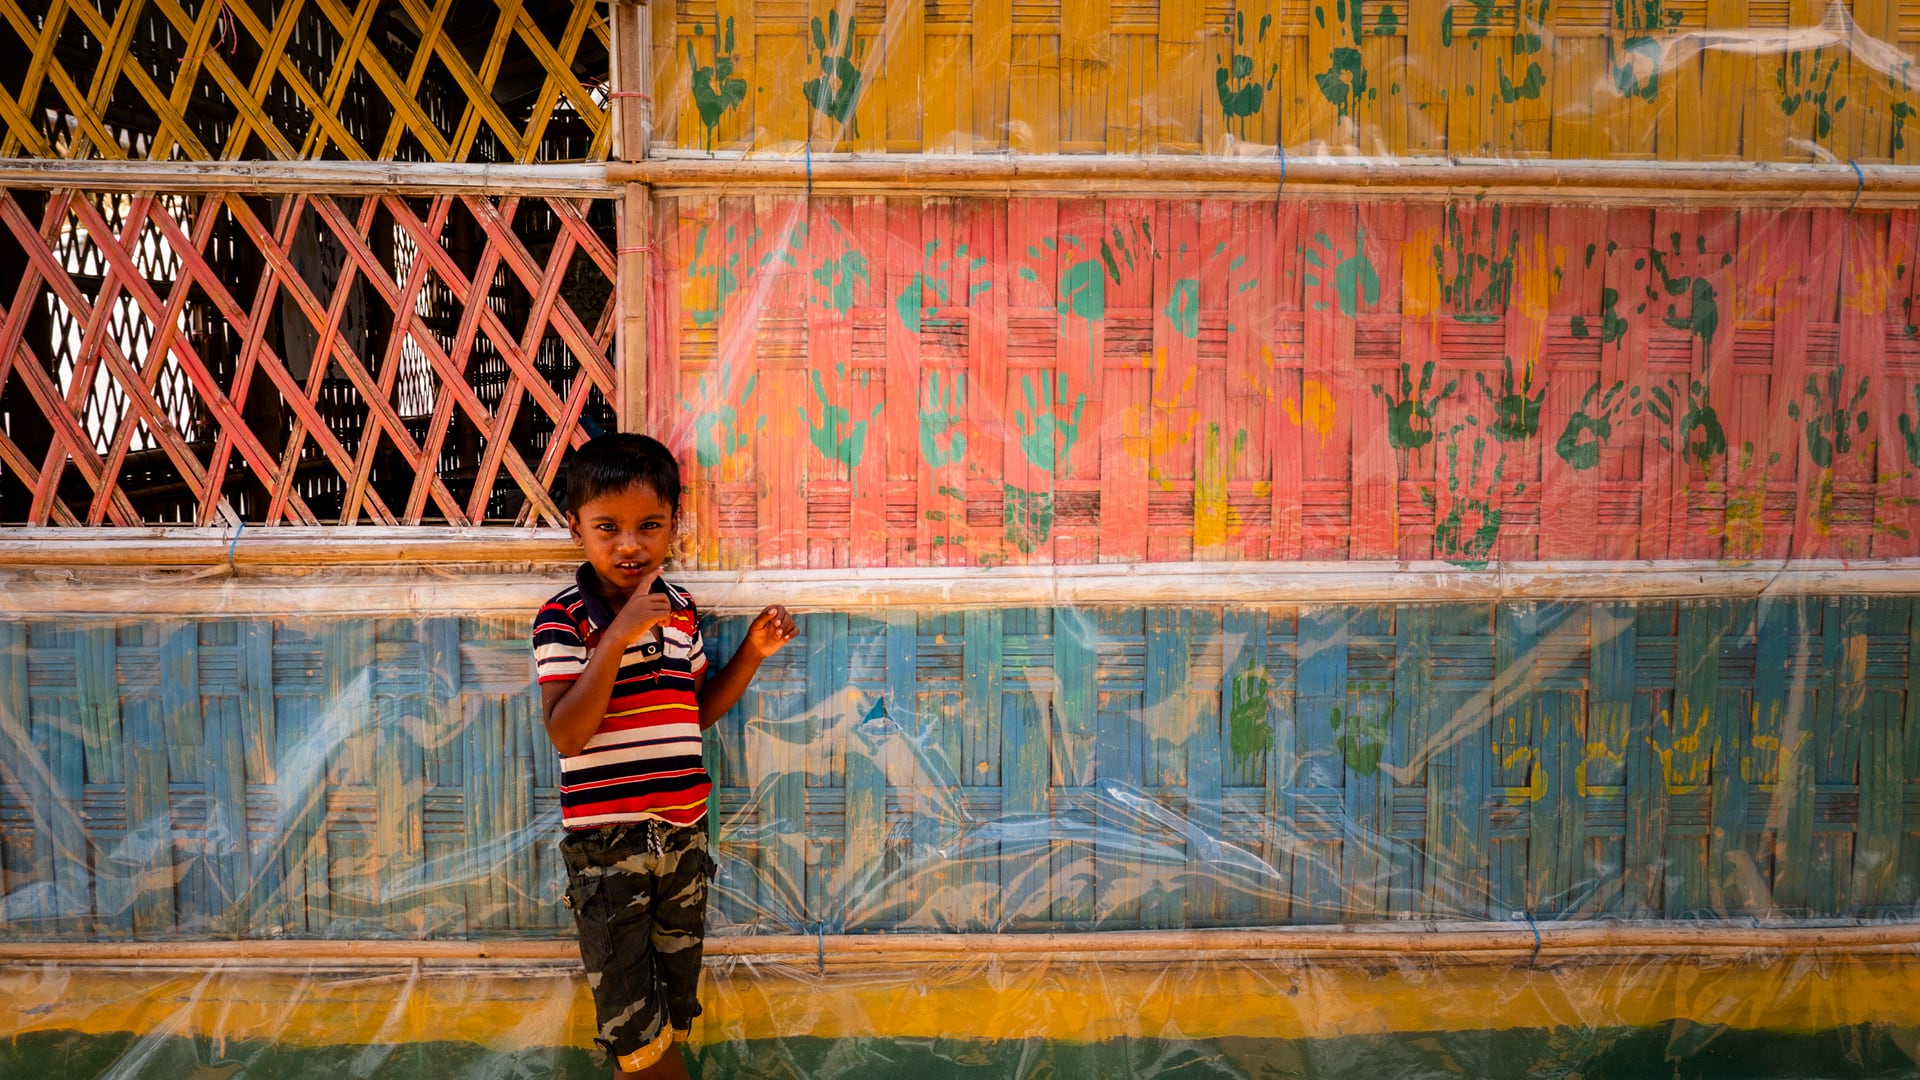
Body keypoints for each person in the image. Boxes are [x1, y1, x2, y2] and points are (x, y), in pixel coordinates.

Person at [532, 433, 796, 1079]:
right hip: (607, 851)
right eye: (608, 528)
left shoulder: (680, 612)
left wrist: (752, 657)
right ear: (576, 530)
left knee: (671, 1016)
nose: (630, 544)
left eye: (649, 526)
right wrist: (618, 635)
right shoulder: (564, 618)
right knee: (635, 1032)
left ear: (673, 526)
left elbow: (694, 711)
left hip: (682, 840)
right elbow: (567, 736)